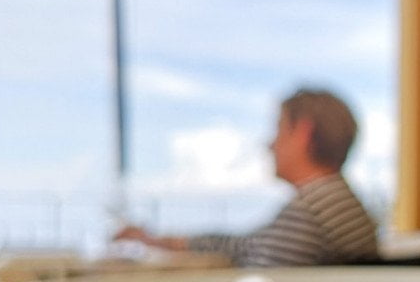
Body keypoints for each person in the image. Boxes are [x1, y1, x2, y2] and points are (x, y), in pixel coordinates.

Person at [116, 88, 379, 267]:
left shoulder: (310, 212)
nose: (270, 145)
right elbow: (246, 245)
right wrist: (155, 241)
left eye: (278, 129)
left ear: (303, 132)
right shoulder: (335, 200)